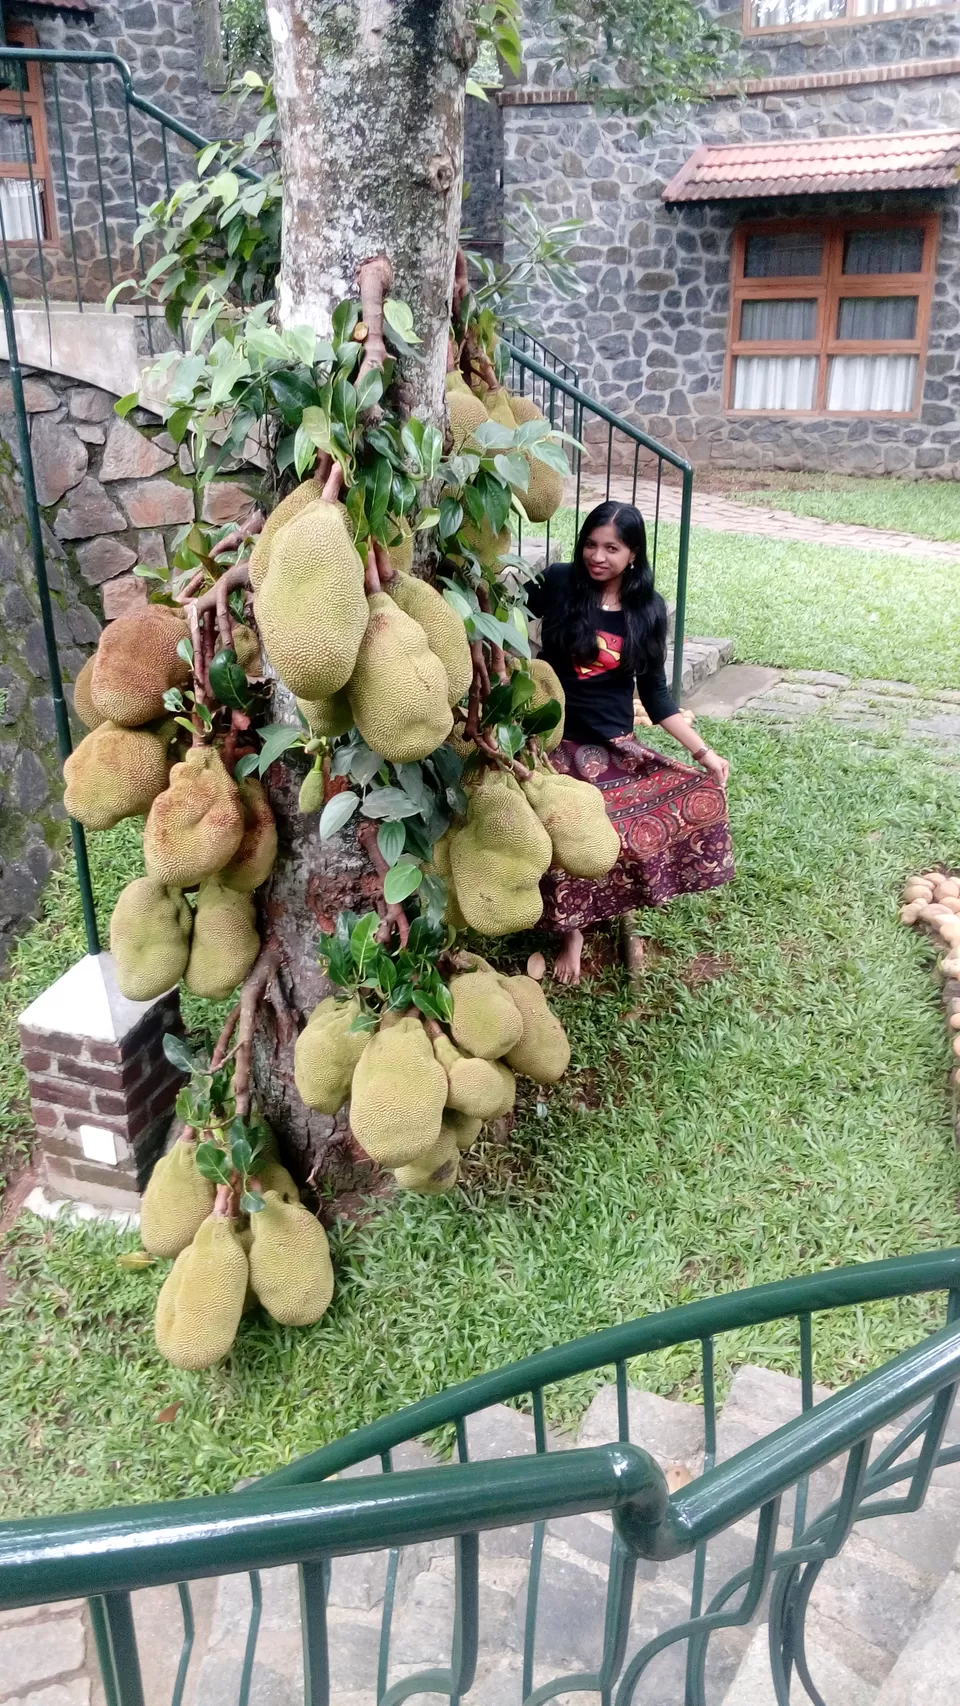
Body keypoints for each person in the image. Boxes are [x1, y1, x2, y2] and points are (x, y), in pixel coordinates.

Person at [526, 501, 734, 984]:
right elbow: (503, 616)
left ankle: (603, 912)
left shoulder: (648, 611)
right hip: (552, 739)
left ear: (633, 555)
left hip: (614, 743)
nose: (597, 556)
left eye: (612, 548)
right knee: (562, 840)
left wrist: (703, 752)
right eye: (591, 545)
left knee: (619, 834)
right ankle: (570, 932)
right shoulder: (559, 582)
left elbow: (657, 696)